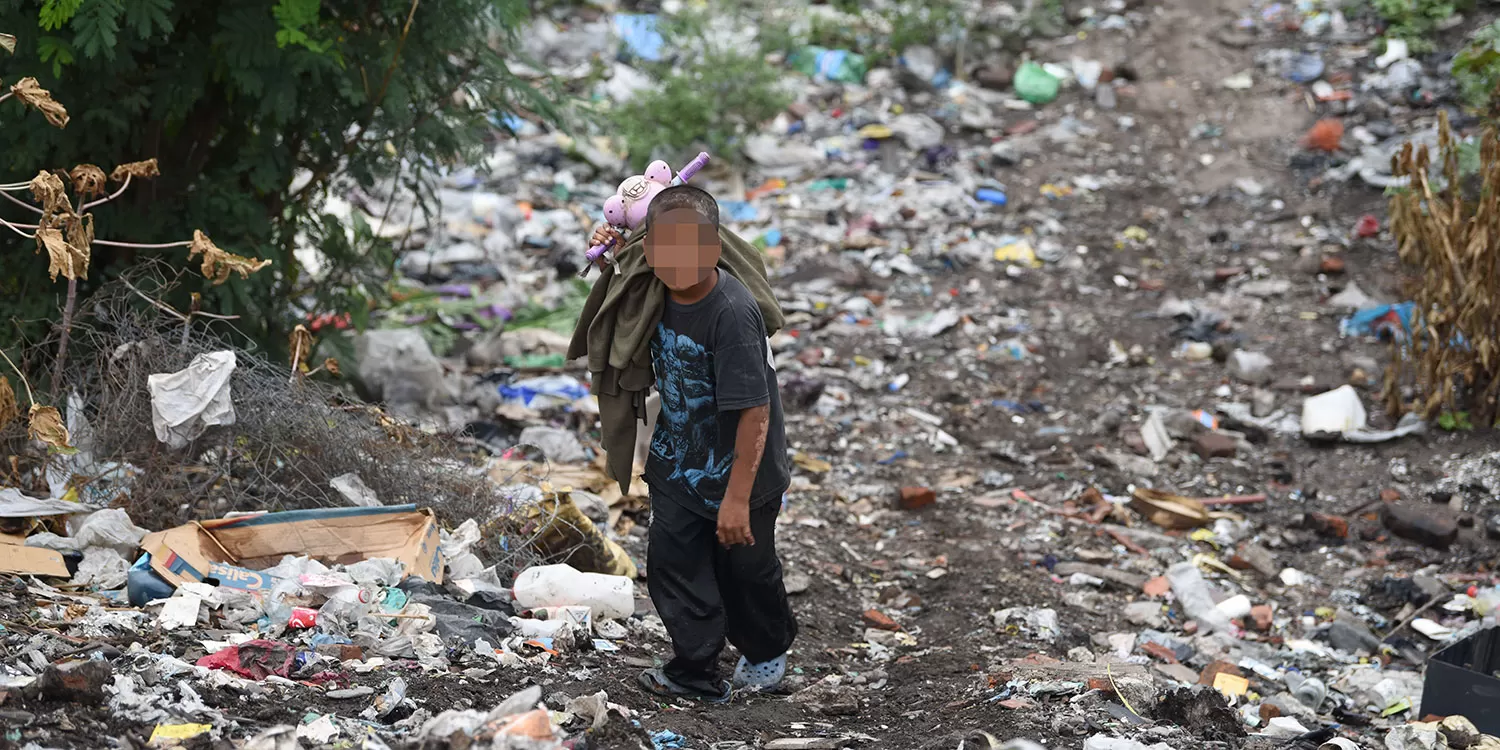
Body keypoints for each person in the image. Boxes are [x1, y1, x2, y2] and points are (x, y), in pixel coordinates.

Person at [589, 185, 796, 702]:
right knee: (673, 562)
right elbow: (619, 291)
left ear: (714, 247)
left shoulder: (732, 312)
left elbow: (754, 410)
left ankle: (767, 647)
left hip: (745, 472)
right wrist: (606, 252)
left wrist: (736, 499)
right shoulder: (650, 287)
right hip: (679, 462)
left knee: (745, 569)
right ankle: (696, 670)